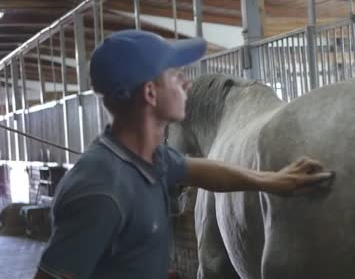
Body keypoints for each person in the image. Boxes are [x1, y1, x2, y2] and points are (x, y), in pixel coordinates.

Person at [34, 30, 334, 279]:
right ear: (150, 94)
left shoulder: (149, 159)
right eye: (175, 76)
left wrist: (271, 180)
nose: (187, 84)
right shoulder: (100, 189)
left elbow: (208, 172)